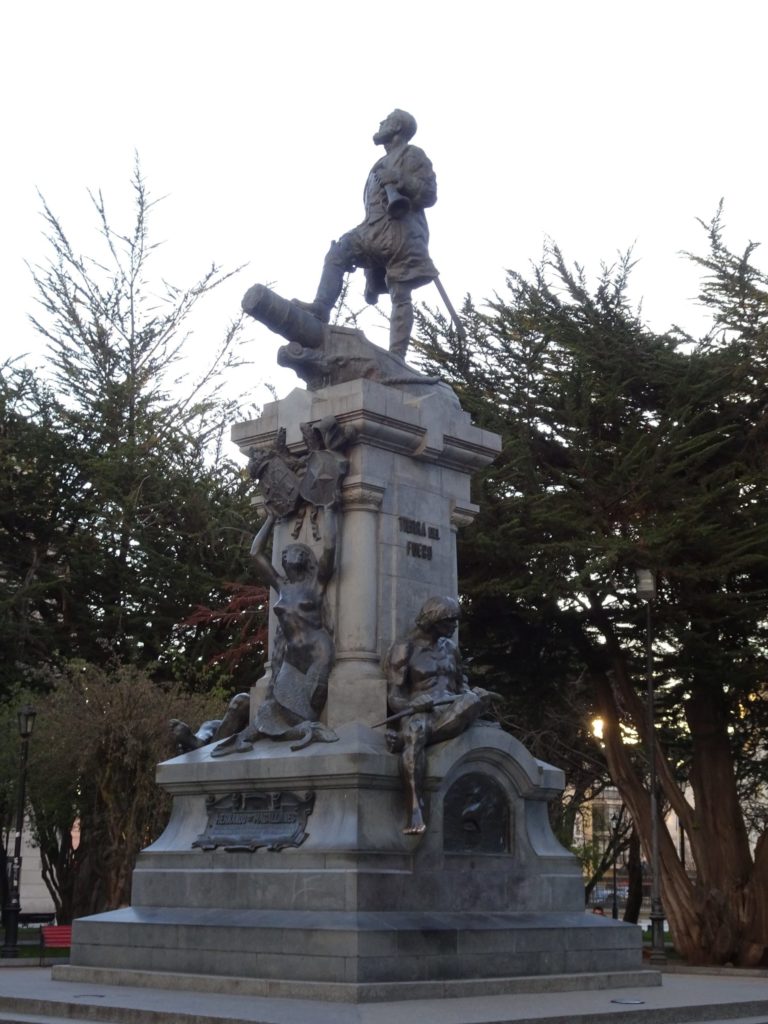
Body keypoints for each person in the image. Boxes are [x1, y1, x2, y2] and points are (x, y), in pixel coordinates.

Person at [295, 109, 438, 360]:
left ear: (397, 128)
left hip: (401, 233)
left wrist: (399, 179)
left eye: (387, 120)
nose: (381, 122)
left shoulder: (413, 154)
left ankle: (396, 357)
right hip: (373, 229)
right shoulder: (378, 164)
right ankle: (321, 308)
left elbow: (429, 194)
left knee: (400, 293)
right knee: (338, 252)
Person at [211, 508, 338, 756]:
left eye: (295, 551)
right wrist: (269, 518)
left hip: (318, 651)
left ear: (303, 559)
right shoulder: (281, 585)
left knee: (307, 707)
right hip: (291, 656)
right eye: (287, 551)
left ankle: (309, 731)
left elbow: (330, 549)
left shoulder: (316, 583)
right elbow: (255, 553)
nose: (288, 552)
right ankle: (299, 732)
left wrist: (330, 510)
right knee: (272, 708)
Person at [384, 596, 493, 834]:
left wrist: (473, 693)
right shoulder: (405, 648)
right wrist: (414, 703)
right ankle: (414, 808)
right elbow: (394, 697)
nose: (455, 627)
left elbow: (460, 685)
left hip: (452, 707)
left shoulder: (451, 649)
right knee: (416, 730)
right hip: (421, 711)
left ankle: (401, 740)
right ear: (434, 620)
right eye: (450, 621)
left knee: (474, 700)